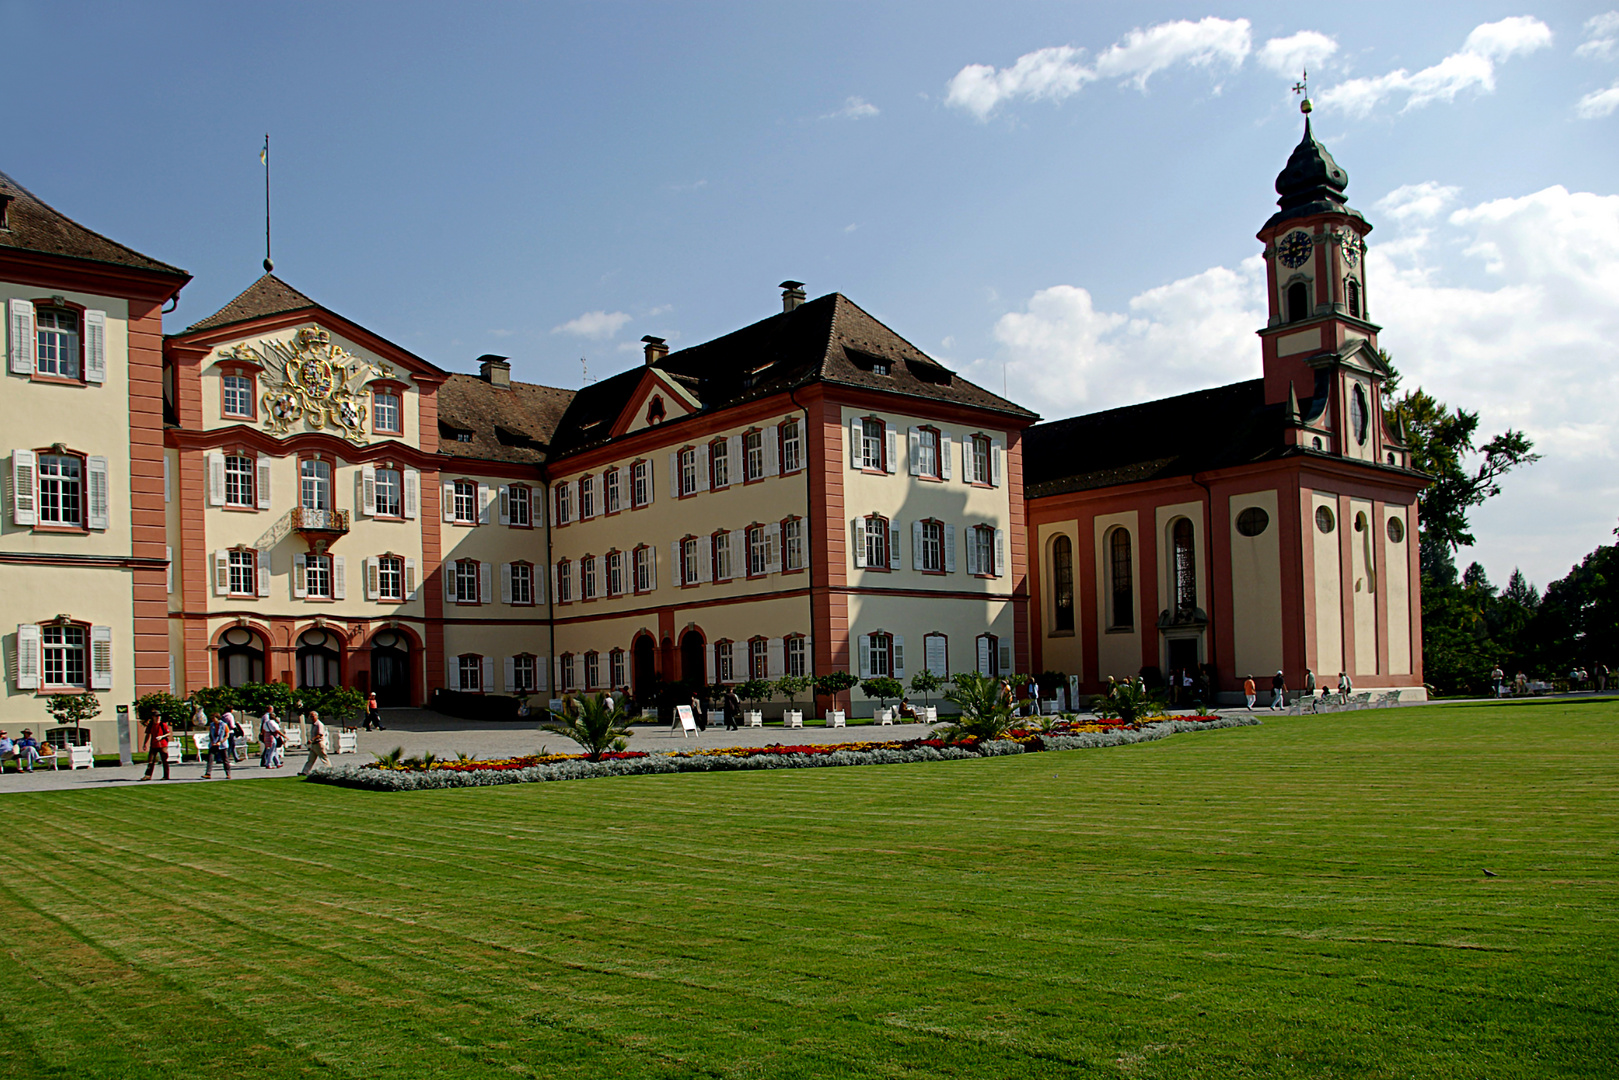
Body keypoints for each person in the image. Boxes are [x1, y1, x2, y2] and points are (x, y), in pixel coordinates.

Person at [139, 712, 172, 781]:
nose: (158, 718)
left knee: (164, 761)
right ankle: (148, 775)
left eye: (159, 716)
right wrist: (145, 744)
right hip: (154, 745)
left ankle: (166, 776)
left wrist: (162, 737)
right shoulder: (151, 725)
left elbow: (168, 734)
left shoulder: (163, 725)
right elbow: (147, 734)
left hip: (162, 745)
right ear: (153, 717)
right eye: (156, 716)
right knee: (151, 761)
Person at [203, 712, 233, 779]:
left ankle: (228, 773)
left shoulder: (223, 725)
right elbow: (211, 735)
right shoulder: (212, 725)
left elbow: (227, 735)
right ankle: (208, 773)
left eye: (214, 718)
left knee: (225, 759)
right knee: (210, 758)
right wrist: (212, 742)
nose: (213, 720)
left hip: (222, 744)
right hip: (214, 743)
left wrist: (221, 742)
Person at [300, 710, 330, 775]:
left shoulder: (319, 724)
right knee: (310, 759)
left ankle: (329, 770)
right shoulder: (313, 724)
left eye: (313, 716)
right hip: (314, 745)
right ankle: (305, 772)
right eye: (311, 717)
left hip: (319, 744)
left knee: (324, 758)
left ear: (317, 716)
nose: (312, 718)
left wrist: (312, 739)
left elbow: (320, 734)